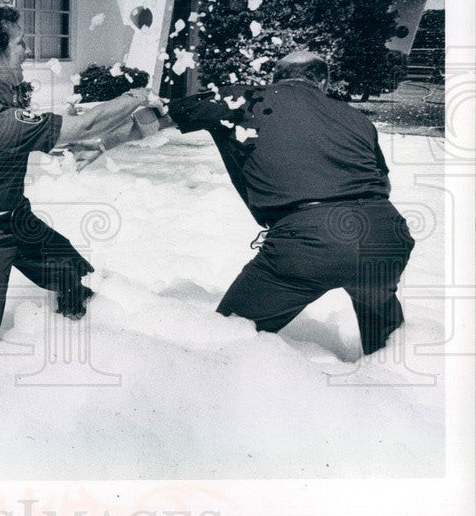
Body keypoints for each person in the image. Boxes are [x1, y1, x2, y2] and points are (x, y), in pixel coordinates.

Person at [0, 3, 162, 357]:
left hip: (17, 219)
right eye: (19, 43)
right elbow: (82, 126)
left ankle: (77, 359)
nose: (26, 50)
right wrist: (137, 96)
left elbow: (14, 141)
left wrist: (47, 140)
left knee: (78, 281)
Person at [166, 50, 414, 356]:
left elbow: (161, 114)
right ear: (323, 81)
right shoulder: (355, 117)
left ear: (275, 76)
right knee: (388, 344)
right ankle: (392, 381)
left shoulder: (243, 99)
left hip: (310, 241)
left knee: (224, 340)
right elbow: (384, 185)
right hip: (386, 234)